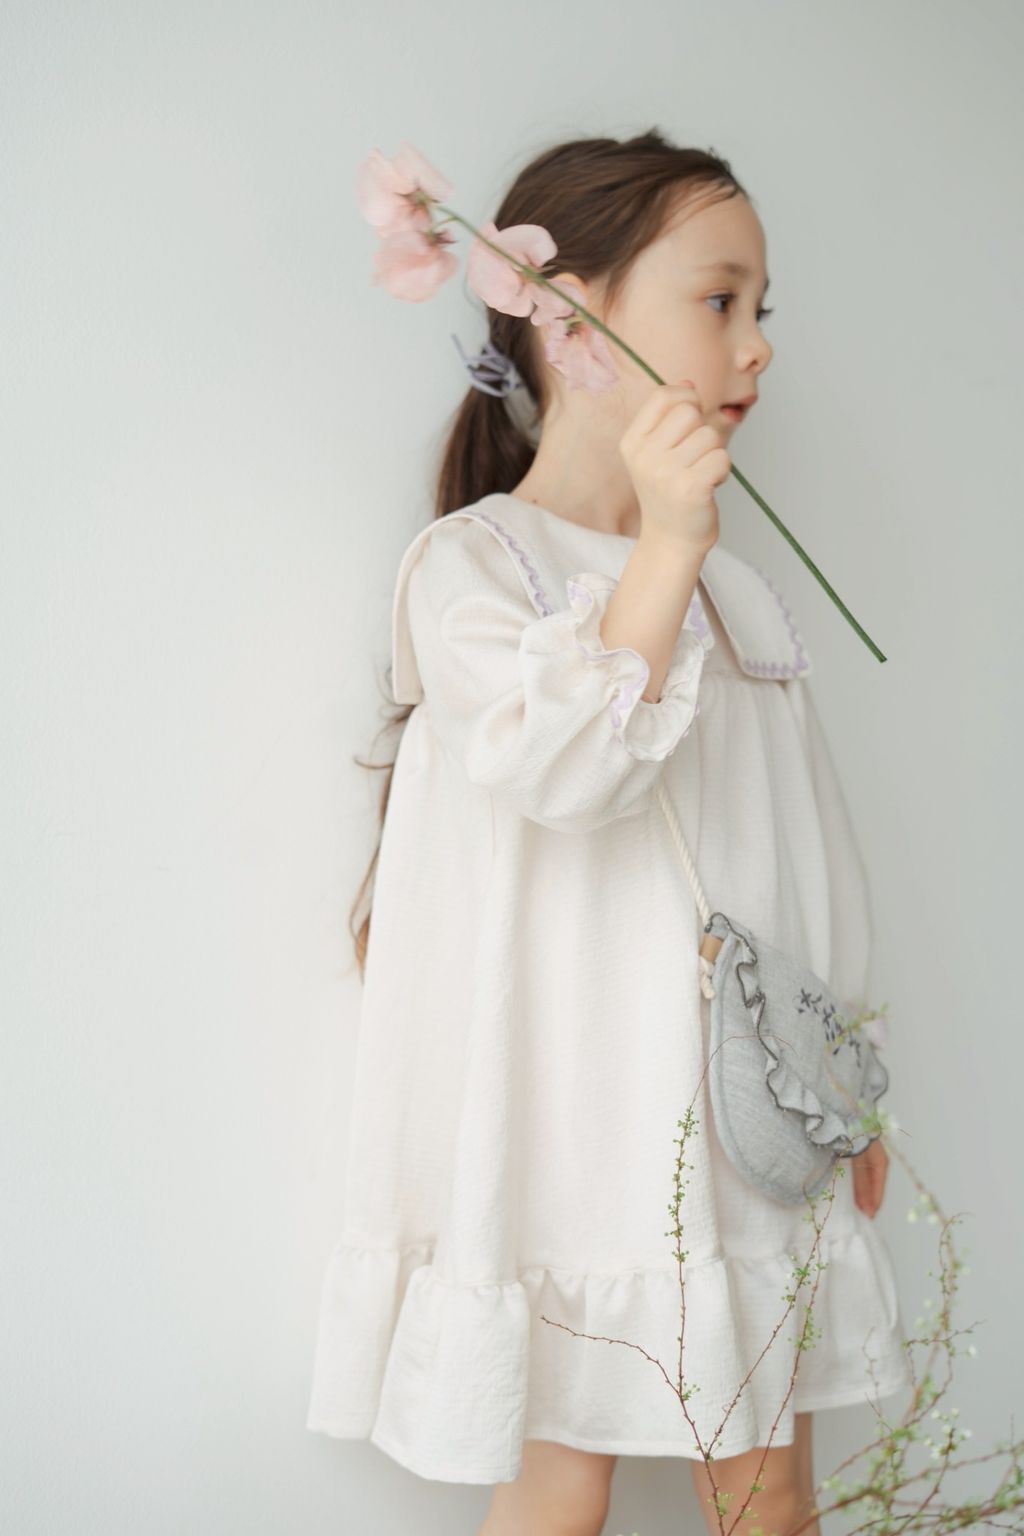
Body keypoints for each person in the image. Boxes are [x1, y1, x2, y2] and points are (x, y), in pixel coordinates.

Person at [306, 129, 911, 1536]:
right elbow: (571, 773)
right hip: (571, 1127)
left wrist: (849, 1076)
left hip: (737, 1125)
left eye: (761, 307)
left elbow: (807, 861)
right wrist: (671, 545)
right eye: (719, 300)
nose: (757, 347)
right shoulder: (474, 568)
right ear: (573, 319)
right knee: (560, 1490)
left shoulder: (739, 599)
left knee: (769, 1495)